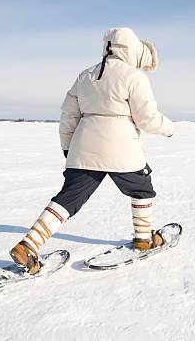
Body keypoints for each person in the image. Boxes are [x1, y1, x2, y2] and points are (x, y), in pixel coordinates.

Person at [10, 27, 174, 274]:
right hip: (122, 150)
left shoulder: (85, 76)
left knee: (68, 198)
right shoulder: (134, 77)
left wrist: (69, 149)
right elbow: (147, 117)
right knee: (142, 188)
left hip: (83, 147)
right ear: (132, 49)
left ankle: (28, 246)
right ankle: (143, 239)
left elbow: (68, 116)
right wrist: (168, 128)